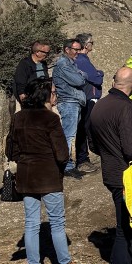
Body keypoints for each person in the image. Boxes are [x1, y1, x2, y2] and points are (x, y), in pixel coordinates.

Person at [8, 78, 94, 264]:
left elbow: (11, 150)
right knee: (57, 223)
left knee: (31, 224)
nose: (56, 95)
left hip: (27, 176)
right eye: (53, 92)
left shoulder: (18, 117)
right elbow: (62, 153)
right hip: (48, 177)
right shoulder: (51, 119)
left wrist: (25, 159)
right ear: (45, 95)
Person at [89, 67, 132, 264]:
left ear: (114, 81)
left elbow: (92, 145)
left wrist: (109, 154)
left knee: (124, 228)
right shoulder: (127, 108)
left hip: (110, 172)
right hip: (127, 177)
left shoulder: (99, 106)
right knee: (128, 230)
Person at [52, 38, 88, 176]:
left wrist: (81, 75)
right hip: (69, 102)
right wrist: (81, 75)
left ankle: (68, 165)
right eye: (76, 49)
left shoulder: (70, 63)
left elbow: (82, 77)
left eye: (79, 49)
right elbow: (79, 80)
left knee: (70, 134)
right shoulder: (63, 64)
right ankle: (66, 167)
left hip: (73, 102)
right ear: (67, 49)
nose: (78, 52)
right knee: (68, 135)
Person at [74, 33, 103, 170]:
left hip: (86, 97)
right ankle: (82, 160)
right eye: (92, 42)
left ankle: (84, 158)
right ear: (86, 45)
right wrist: (100, 73)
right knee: (85, 129)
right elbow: (97, 78)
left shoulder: (82, 59)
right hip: (88, 98)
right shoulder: (82, 60)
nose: (93, 44)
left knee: (84, 128)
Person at [13, 41, 51, 108]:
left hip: (43, 99)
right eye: (46, 53)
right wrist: (25, 103)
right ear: (37, 52)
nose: (47, 55)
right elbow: (20, 85)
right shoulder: (24, 64)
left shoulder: (43, 64)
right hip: (30, 101)